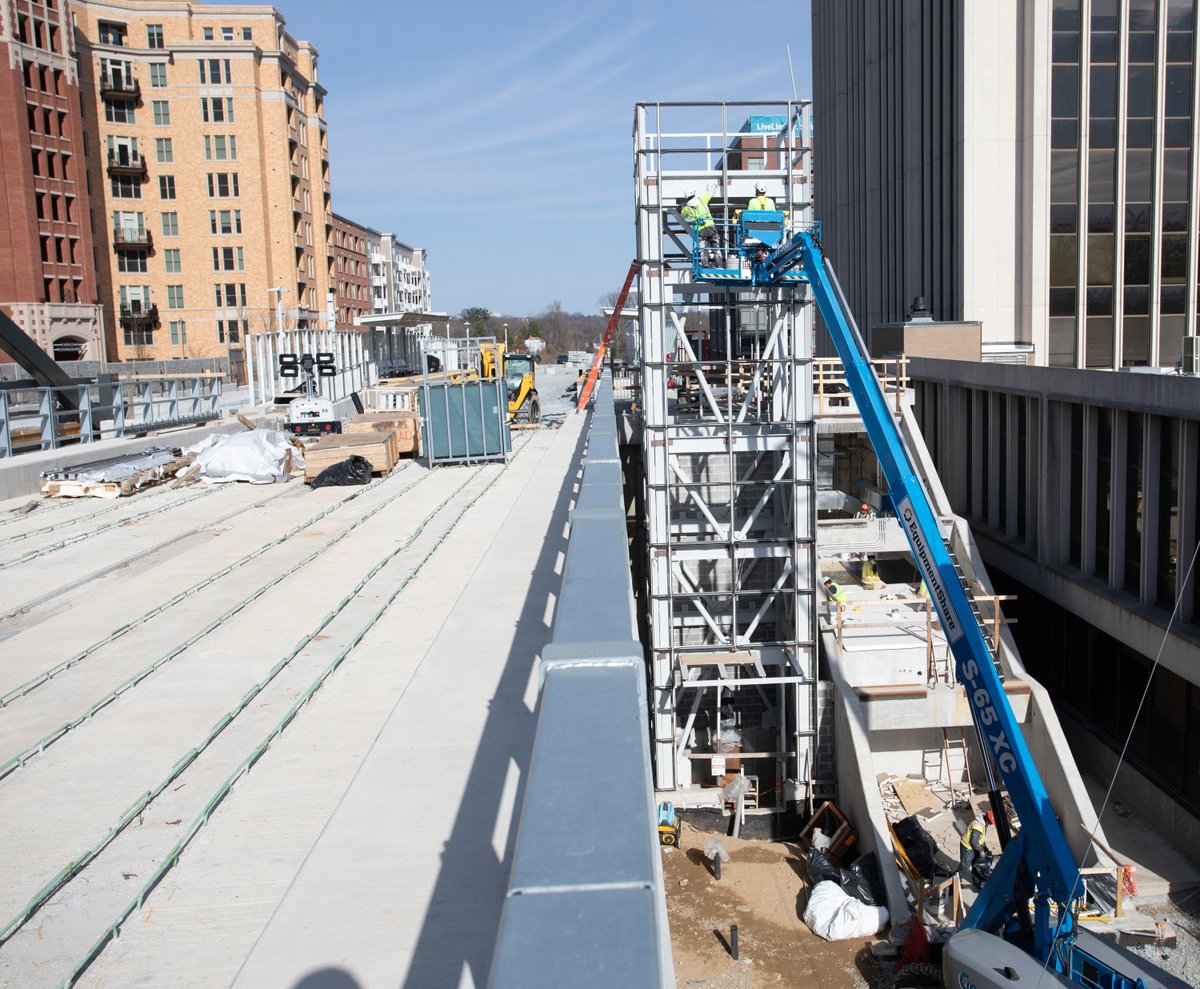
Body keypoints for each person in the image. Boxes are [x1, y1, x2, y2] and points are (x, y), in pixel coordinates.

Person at [679, 185, 724, 266]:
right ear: (694, 193)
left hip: (701, 231)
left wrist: (682, 206)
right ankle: (720, 264)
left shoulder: (687, 208)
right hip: (710, 227)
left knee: (703, 250)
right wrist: (714, 186)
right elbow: (711, 193)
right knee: (716, 247)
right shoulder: (702, 199)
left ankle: (705, 265)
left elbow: (682, 215)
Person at [959, 808, 994, 888]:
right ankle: (955, 882)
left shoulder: (983, 822)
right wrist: (981, 851)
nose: (991, 824)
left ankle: (977, 882)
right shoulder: (978, 825)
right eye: (991, 823)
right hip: (967, 847)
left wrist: (983, 846)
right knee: (965, 866)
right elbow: (973, 842)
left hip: (974, 847)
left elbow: (979, 838)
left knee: (976, 865)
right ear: (988, 819)